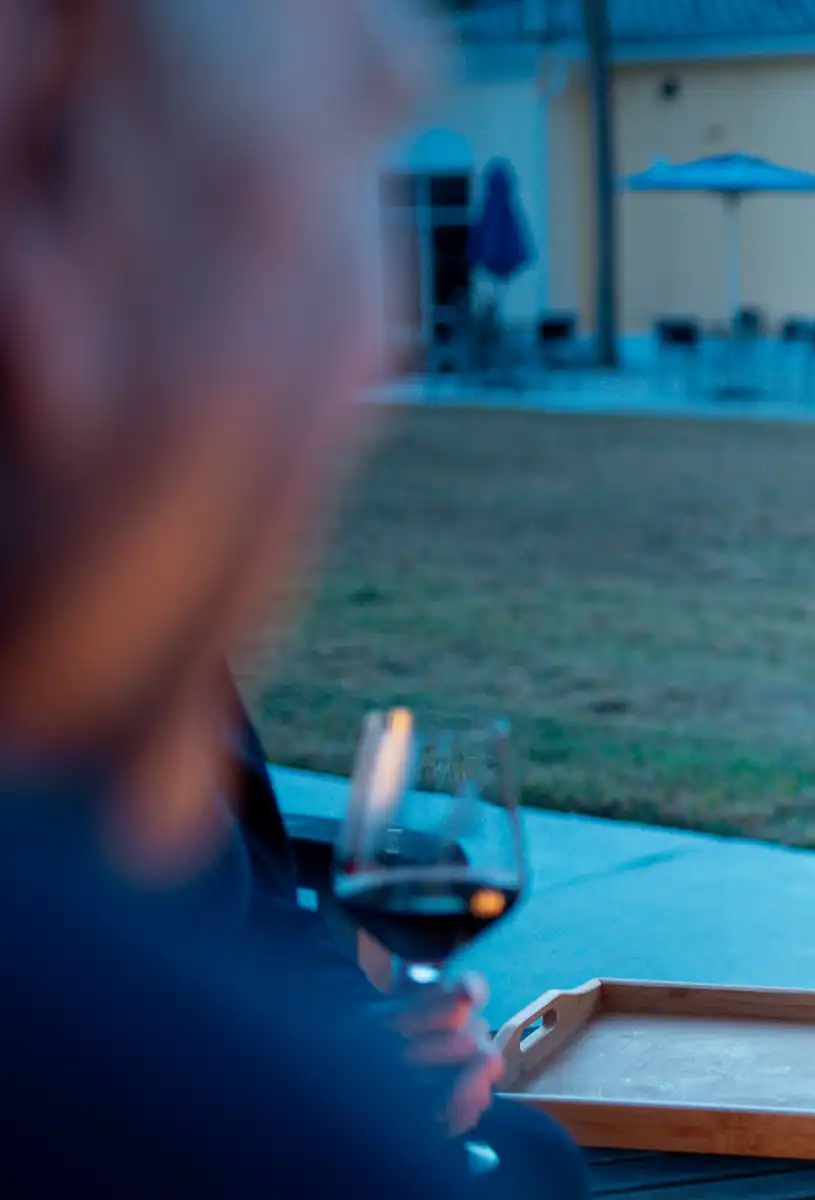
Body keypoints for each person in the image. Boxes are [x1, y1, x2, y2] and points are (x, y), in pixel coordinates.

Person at [0, 0, 541, 1193]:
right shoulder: (220, 1129)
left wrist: (359, 1045)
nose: (379, 351)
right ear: (43, 292)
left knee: (531, 1145)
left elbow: (254, 902)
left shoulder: (149, 698)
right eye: (327, 202)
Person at [213, 669, 592, 1196]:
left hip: (261, 1026)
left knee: (534, 1152)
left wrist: (370, 1027)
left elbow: (258, 905)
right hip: (177, 1079)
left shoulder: (177, 664)